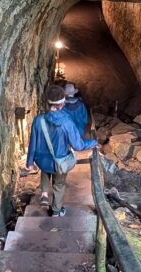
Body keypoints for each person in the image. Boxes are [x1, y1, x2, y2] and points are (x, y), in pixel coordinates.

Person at [25, 84, 98, 216]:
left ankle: (44, 193)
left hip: (43, 160)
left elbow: (33, 142)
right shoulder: (66, 123)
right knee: (59, 184)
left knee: (46, 169)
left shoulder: (38, 120)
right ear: (62, 104)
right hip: (60, 160)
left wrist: (29, 162)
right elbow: (78, 146)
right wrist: (93, 142)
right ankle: (56, 211)